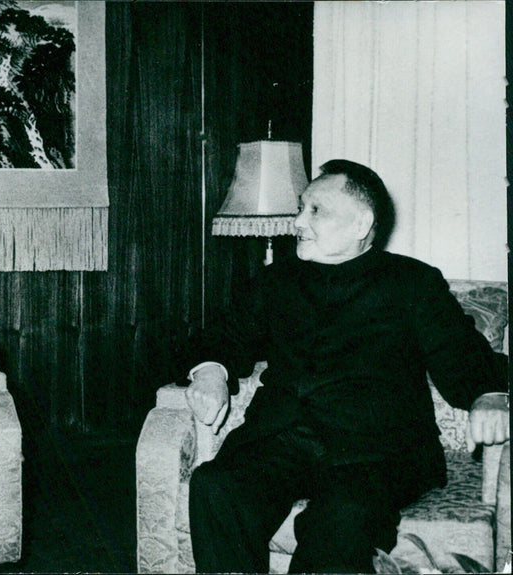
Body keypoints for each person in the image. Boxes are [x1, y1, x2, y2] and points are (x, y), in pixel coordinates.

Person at [180, 159, 509, 573]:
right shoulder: (275, 281)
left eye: (315, 210)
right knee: (216, 485)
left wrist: (490, 394)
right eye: (301, 207)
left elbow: (461, 352)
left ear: (361, 224)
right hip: (281, 439)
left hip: (375, 450)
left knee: (344, 515)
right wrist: (210, 369)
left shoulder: (411, 282)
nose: (298, 221)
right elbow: (224, 337)